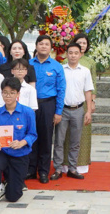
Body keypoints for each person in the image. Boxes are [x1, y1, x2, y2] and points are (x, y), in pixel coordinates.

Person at [0, 77, 38, 204]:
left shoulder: (27, 112)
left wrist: (22, 142)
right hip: (2, 152)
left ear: (18, 94)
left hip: (20, 154)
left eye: (12, 93)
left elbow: (32, 134)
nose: (8, 96)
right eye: (5, 92)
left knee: (13, 197)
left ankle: (11, 182)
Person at [52, 42, 94, 180]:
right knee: (59, 140)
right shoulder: (60, 69)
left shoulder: (85, 71)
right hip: (63, 110)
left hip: (78, 109)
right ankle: (58, 169)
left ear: (80, 54)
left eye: (76, 53)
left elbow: (88, 91)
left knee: (75, 141)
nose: (73, 56)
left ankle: (72, 168)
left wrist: (88, 111)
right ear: (66, 54)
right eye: (70, 53)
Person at [28, 35, 66, 183]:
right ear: (36, 46)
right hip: (31, 105)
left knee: (45, 138)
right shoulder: (29, 64)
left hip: (48, 104)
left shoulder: (56, 66)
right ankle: (31, 170)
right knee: (31, 137)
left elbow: (61, 90)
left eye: (46, 44)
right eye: (41, 44)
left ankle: (43, 171)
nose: (43, 46)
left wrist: (58, 112)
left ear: (51, 48)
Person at [68, 33, 97, 174]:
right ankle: (66, 164)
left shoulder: (90, 63)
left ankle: (82, 163)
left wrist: (92, 103)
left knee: (83, 135)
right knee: (67, 135)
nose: (82, 45)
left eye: (84, 43)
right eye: (79, 43)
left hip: (84, 103)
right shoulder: (66, 62)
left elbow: (93, 85)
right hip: (68, 103)